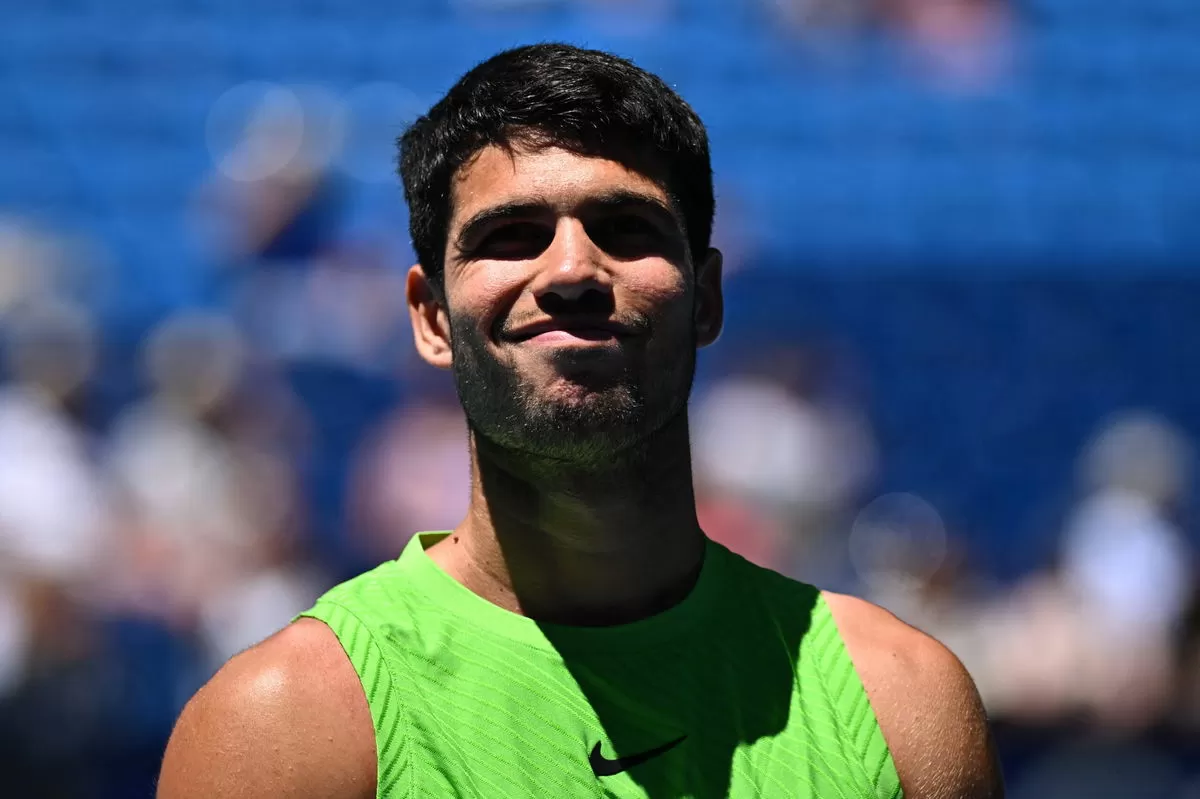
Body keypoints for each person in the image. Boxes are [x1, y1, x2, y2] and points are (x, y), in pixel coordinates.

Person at [157, 43, 1003, 798]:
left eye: (625, 229)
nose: (571, 269)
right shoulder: (286, 730)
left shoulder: (898, 704)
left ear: (707, 298)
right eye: (511, 235)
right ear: (431, 317)